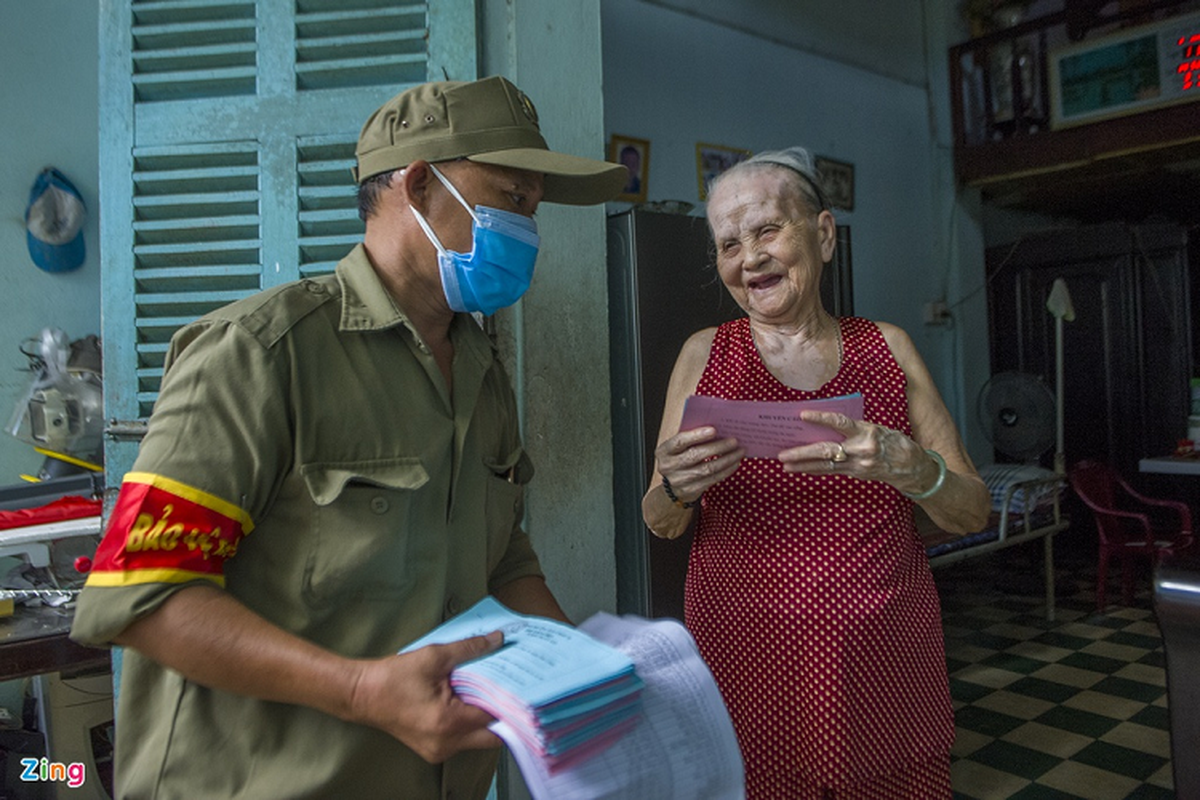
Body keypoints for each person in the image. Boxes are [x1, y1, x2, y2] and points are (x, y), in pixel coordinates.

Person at [70, 75, 627, 799]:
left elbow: (502, 561)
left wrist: (585, 670)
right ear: (420, 184)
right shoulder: (262, 353)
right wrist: (362, 691)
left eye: (535, 208)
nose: (528, 229)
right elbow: (140, 595)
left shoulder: (483, 371)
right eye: (512, 199)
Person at [642, 146, 990, 799]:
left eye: (769, 230)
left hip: (880, 660)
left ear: (823, 234)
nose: (750, 258)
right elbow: (659, 521)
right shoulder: (704, 354)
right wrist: (676, 489)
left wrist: (913, 470)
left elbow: (971, 510)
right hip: (745, 661)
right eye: (728, 245)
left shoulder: (886, 347)